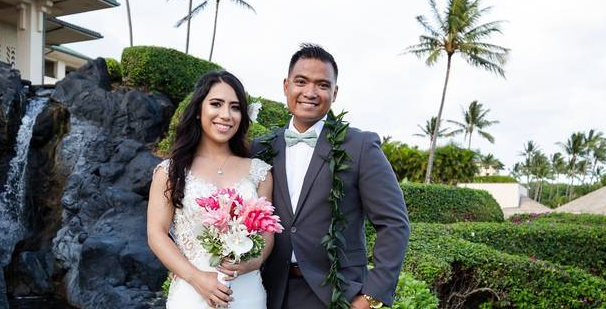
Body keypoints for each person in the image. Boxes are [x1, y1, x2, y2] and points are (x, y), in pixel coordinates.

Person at [256, 44, 410, 309]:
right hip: (268, 292)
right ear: (286, 86)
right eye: (301, 82)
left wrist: (371, 297)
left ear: (335, 92)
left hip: (337, 295)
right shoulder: (260, 149)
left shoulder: (360, 146)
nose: (310, 93)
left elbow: (394, 223)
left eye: (323, 85)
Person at [148, 70, 275, 309]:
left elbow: (267, 235)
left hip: (247, 293)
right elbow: (156, 234)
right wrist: (198, 279)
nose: (226, 115)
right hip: (191, 292)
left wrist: (250, 264)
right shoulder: (170, 171)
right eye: (216, 104)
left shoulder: (259, 172)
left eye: (235, 107)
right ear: (198, 111)